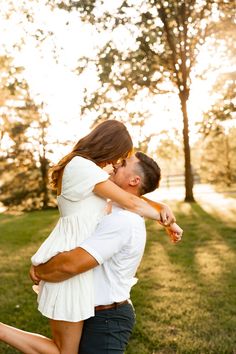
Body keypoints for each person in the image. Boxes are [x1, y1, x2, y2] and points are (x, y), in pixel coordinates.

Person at [0, 121, 179, 354]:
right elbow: (130, 200)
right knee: (65, 351)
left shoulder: (94, 180)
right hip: (68, 262)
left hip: (76, 270)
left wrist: (161, 207)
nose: (116, 164)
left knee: (64, 351)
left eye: (123, 163)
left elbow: (129, 201)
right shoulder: (82, 167)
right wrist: (168, 220)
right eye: (120, 157)